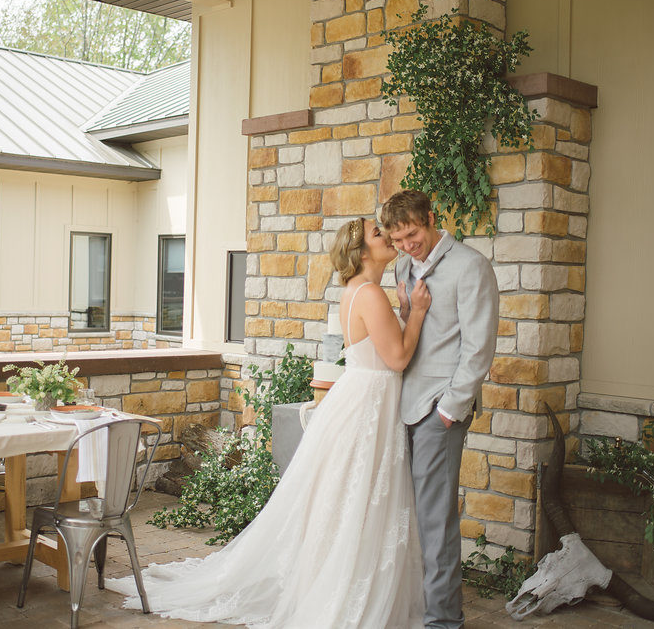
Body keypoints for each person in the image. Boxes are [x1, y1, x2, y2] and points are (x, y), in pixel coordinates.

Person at [108, 217, 431, 628]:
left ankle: (340, 580)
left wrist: (405, 310)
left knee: (352, 498)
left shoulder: (357, 291)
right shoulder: (369, 294)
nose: (387, 236)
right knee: (361, 497)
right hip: (371, 404)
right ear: (362, 252)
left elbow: (384, 347)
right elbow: (398, 358)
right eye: (377, 233)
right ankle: (347, 589)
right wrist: (418, 313)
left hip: (363, 401)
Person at [381, 190, 499, 629]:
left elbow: (479, 346)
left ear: (431, 219)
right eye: (398, 240)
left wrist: (450, 409)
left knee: (436, 520)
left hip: (439, 410)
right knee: (408, 516)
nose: (406, 246)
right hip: (403, 404)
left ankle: (444, 622)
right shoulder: (402, 266)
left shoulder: (471, 266)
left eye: (412, 234)